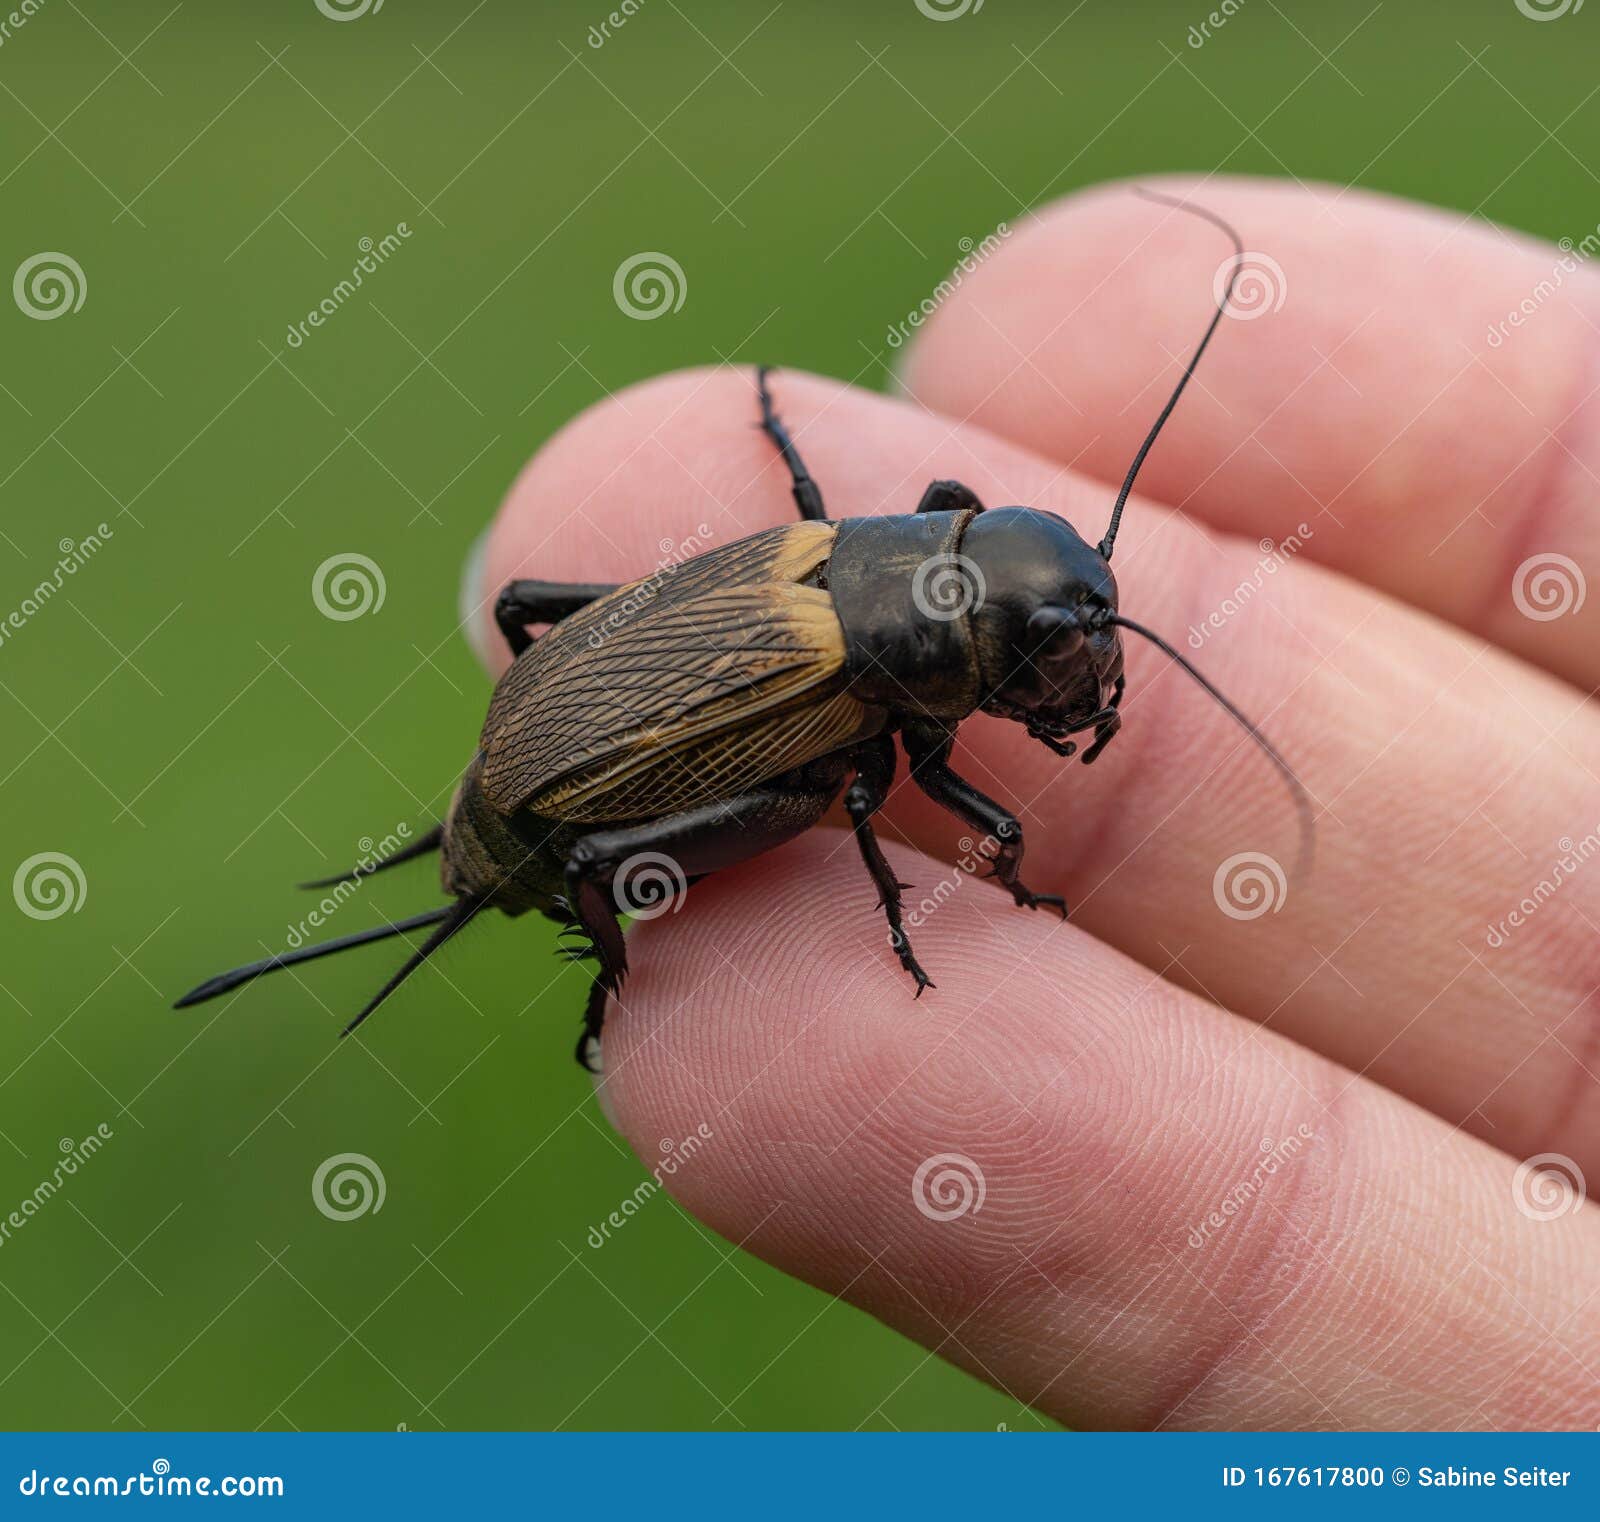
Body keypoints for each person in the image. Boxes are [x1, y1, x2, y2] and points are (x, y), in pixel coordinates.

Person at [465, 177, 1600, 1430]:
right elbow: (899, 803)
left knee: (808, 777)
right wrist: (940, 892)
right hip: (561, 783)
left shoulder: (847, 543)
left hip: (611, 685)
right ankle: (601, 971)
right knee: (812, 809)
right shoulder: (854, 686)